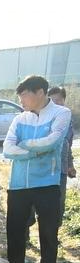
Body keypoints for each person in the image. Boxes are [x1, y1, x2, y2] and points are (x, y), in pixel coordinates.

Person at [3, 74, 73, 263]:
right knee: (15, 229)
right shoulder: (20, 119)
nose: (21, 101)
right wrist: (34, 151)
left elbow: (52, 142)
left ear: (40, 92)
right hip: (19, 184)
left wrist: (24, 145)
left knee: (48, 231)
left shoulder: (61, 113)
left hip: (47, 182)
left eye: (24, 95)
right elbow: (7, 149)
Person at [49, 86, 74, 217]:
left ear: (64, 100)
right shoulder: (45, 118)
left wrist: (70, 165)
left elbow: (68, 145)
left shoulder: (68, 119)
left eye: (59, 100)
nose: (56, 103)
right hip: (45, 168)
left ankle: (55, 227)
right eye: (53, 101)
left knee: (59, 201)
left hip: (61, 170)